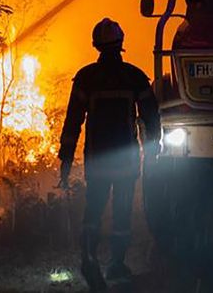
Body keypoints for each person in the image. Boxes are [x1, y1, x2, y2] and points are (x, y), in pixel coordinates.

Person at [58, 18, 161, 290]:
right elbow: (152, 117)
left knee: (93, 210)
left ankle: (88, 258)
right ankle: (116, 264)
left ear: (96, 45)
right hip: (126, 160)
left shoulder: (86, 78)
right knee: (122, 214)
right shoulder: (135, 77)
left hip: (98, 160)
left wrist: (66, 159)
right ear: (121, 43)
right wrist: (155, 149)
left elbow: (73, 122)